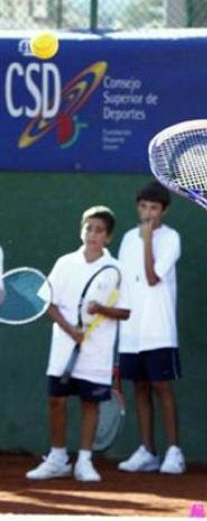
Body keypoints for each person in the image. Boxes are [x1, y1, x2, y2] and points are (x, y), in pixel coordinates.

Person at [26, 206, 130, 482]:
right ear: (81, 230)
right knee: (55, 400)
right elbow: (48, 302)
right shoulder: (64, 263)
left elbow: (126, 311)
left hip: (97, 351)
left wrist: (102, 310)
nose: (92, 235)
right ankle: (57, 458)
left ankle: (84, 461)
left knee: (89, 404)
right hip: (63, 346)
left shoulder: (115, 269)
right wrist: (70, 330)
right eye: (88, 228)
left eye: (98, 231)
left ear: (108, 237)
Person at [117, 181, 185, 475]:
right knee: (140, 389)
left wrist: (147, 241)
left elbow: (152, 278)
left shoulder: (171, 239)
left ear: (164, 211)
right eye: (143, 207)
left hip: (159, 328)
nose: (148, 213)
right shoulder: (127, 239)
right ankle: (147, 450)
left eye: (154, 208)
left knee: (161, 387)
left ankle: (174, 452)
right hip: (131, 331)